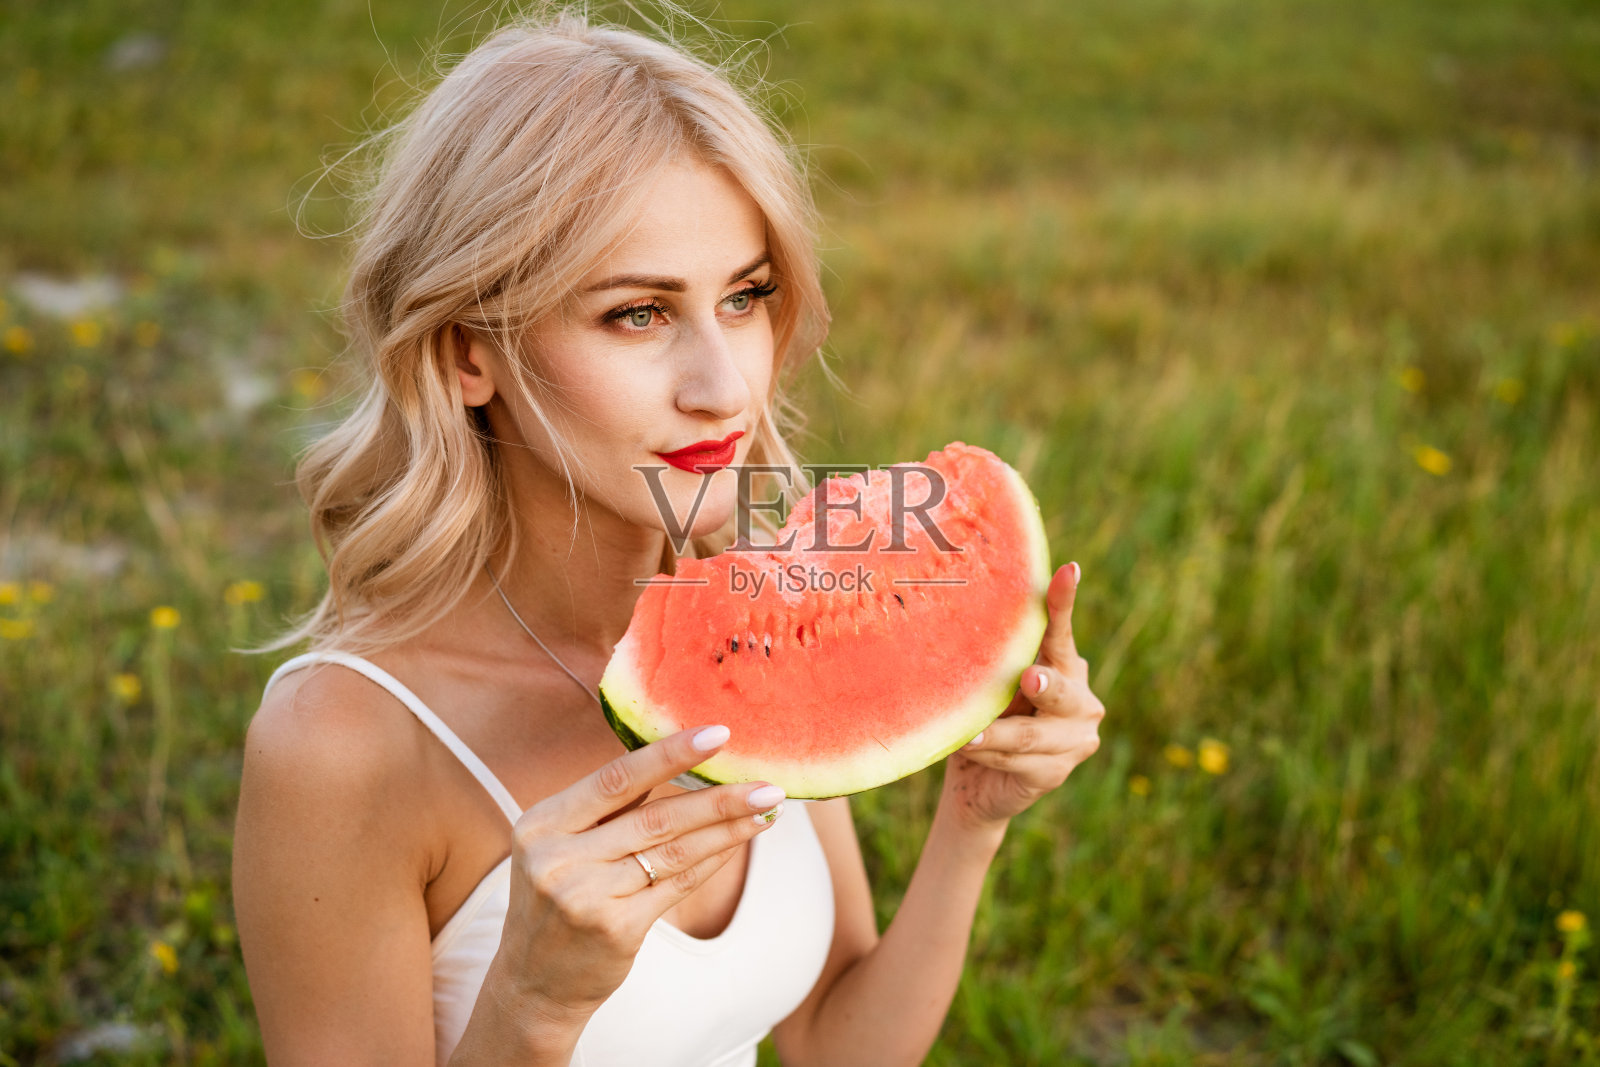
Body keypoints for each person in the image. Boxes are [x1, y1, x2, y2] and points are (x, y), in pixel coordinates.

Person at [231, 11, 1106, 1066]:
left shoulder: (756, 623)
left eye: (744, 297)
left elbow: (834, 1043)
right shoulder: (341, 743)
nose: (723, 385)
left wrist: (972, 821)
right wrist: (531, 1003)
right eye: (638, 313)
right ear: (469, 354)